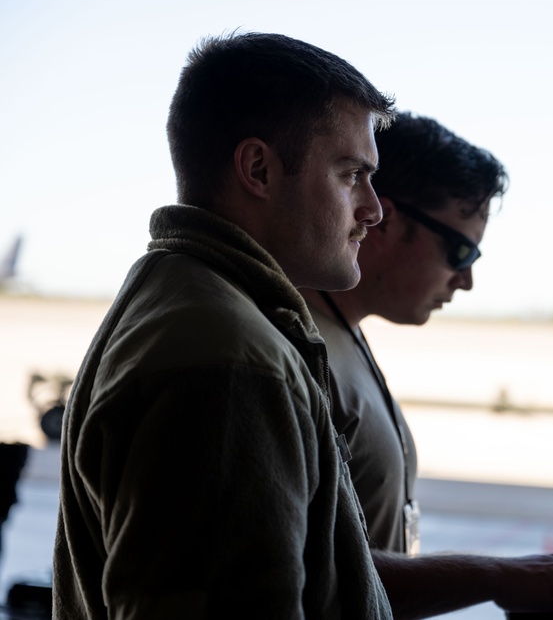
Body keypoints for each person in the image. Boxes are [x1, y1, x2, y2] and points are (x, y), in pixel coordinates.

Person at [52, 32, 397, 619]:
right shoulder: (227, 359)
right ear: (258, 168)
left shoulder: (188, 301)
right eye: (349, 175)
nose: (373, 208)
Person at [299, 111, 553, 618]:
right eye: (459, 250)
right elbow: (312, 569)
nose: (466, 280)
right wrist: (497, 576)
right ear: (385, 221)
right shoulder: (302, 351)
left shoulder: (345, 335)